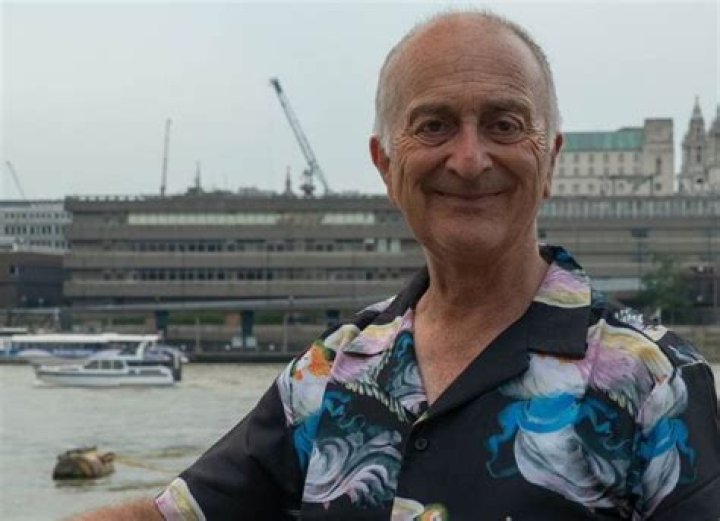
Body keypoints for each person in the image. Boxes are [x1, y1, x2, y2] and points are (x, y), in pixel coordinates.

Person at [80, 9, 720, 520]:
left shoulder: (654, 382)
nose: (469, 160)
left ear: (550, 159)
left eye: (503, 124)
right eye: (435, 126)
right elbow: (177, 514)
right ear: (386, 166)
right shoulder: (328, 373)